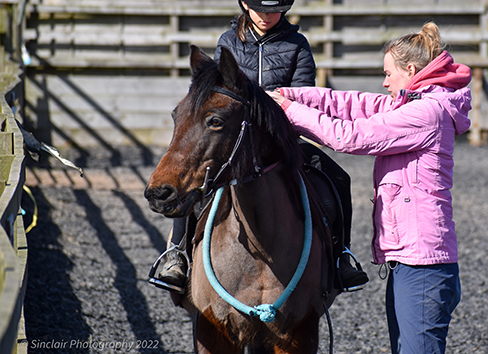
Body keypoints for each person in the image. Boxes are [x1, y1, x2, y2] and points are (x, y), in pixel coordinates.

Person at [268, 22, 470, 354]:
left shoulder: (424, 113)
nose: (384, 82)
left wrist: (289, 112)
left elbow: (349, 136)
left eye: (389, 73)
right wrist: (289, 95)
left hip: (423, 267)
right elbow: (347, 103)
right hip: (413, 262)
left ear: (410, 70)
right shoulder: (411, 104)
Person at [150, 0, 368, 295]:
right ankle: (176, 255)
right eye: (260, 9)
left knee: (339, 178)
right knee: (199, 181)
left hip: (283, 140)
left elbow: (304, 94)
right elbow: (218, 92)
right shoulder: (229, 42)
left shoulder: (297, 44)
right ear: (244, 4)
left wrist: (270, 107)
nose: (267, 16)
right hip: (238, 140)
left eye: (275, 9)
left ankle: (342, 255)